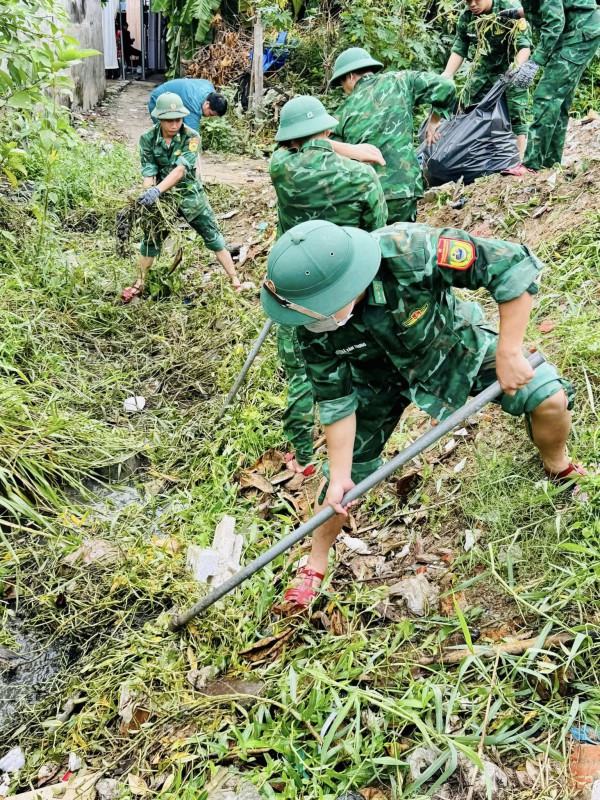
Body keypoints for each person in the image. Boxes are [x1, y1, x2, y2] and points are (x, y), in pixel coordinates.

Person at [261, 219, 586, 610]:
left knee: (549, 399)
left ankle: (557, 463)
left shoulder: (411, 251)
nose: (315, 324)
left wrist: (510, 351)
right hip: (374, 383)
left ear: (347, 285)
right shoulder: (307, 324)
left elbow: (510, 265)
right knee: (337, 485)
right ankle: (315, 562)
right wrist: (343, 473)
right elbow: (336, 401)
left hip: (449, 348)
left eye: (321, 313)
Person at [270, 95, 388, 474]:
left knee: (301, 369)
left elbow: (296, 148)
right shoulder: (361, 176)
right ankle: (355, 446)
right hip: (347, 287)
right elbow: (377, 235)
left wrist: (319, 141)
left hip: (299, 284)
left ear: (290, 139)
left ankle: (304, 455)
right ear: (326, 128)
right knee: (350, 361)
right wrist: (355, 151)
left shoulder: (281, 170)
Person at [121, 92, 246, 302]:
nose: (174, 124)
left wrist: (156, 190)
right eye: (169, 120)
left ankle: (235, 281)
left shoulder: (191, 137)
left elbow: (180, 170)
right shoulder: (147, 138)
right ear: (159, 118)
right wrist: (148, 193)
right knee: (150, 241)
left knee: (213, 237)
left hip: (190, 196)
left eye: (178, 119)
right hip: (163, 201)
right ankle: (140, 283)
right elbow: (149, 169)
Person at [329, 47, 456, 223]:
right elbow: (446, 86)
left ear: (350, 77)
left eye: (342, 85)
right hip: (403, 189)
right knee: (402, 243)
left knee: (374, 245)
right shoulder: (401, 80)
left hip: (366, 194)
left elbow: (330, 155)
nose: (344, 91)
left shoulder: (340, 115)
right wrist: (434, 121)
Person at [500, 0, 600, 173]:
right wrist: (519, 12)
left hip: (579, 34)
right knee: (559, 101)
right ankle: (549, 163)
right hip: (576, 31)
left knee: (546, 96)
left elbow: (555, 22)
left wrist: (535, 62)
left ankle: (532, 164)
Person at [440, 0, 531, 160]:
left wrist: (513, 71)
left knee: (516, 108)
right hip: (484, 69)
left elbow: (524, 47)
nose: (473, 4)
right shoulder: (467, 17)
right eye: (468, 1)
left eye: (477, 0)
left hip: (512, 66)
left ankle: (520, 157)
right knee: (470, 109)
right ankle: (476, 156)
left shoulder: (510, 9)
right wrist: (447, 74)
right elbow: (460, 47)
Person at [148, 79, 227, 132]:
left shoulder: (210, 90)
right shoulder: (193, 104)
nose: (209, 117)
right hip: (158, 101)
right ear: (207, 104)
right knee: (167, 133)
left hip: (175, 103)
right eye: (210, 114)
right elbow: (192, 134)